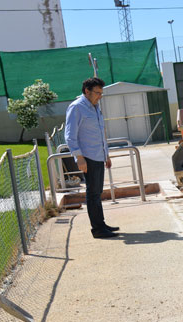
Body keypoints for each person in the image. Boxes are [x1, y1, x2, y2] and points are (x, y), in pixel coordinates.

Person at [65, 77, 119, 239]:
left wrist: (106, 154)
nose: (100, 96)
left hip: (98, 155)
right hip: (87, 157)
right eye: (97, 93)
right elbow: (70, 136)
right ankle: (97, 229)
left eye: (101, 93)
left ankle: (101, 224)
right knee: (93, 193)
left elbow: (100, 132)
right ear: (86, 91)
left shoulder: (95, 107)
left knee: (97, 192)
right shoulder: (77, 108)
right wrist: (79, 158)